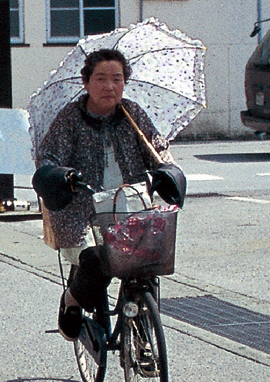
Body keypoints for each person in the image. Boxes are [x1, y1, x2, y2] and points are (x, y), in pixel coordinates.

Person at [33, 49, 187, 341]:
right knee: (96, 262)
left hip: (132, 205)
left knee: (150, 260)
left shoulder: (133, 114)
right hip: (82, 213)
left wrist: (168, 170)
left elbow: (158, 148)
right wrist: (59, 175)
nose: (110, 86)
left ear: (125, 82)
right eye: (101, 78)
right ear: (86, 82)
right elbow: (49, 157)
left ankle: (143, 333)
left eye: (117, 79)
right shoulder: (70, 119)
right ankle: (72, 300)